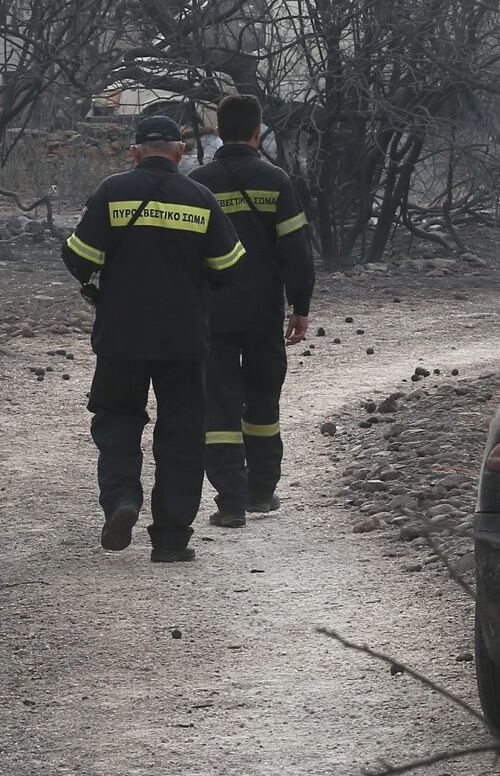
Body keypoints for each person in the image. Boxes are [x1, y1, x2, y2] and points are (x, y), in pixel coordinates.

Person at [62, 114, 244, 563]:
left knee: (117, 420)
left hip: (121, 335)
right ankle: (171, 539)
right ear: (180, 153)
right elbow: (228, 267)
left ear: (135, 152)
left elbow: (79, 257)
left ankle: (122, 498)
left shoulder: (112, 191)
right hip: (184, 338)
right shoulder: (200, 198)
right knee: (182, 435)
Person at [187, 94, 314, 528]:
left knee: (218, 405)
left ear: (218, 131)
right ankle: (261, 490)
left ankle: (230, 501)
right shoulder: (276, 181)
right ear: (258, 132)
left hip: (213, 314)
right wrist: (300, 305)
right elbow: (295, 249)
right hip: (263, 312)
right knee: (263, 399)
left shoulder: (199, 184)